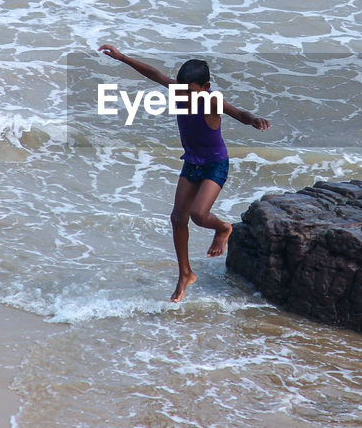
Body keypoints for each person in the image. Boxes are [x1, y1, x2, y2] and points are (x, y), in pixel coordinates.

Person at [98, 44, 270, 302]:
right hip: (192, 161)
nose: (185, 96)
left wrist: (254, 120)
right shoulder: (180, 90)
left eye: (190, 91)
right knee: (178, 219)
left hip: (215, 164)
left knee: (198, 215)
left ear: (205, 85)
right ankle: (185, 274)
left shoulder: (212, 101)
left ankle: (223, 228)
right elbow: (154, 74)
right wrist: (122, 57)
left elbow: (239, 114)